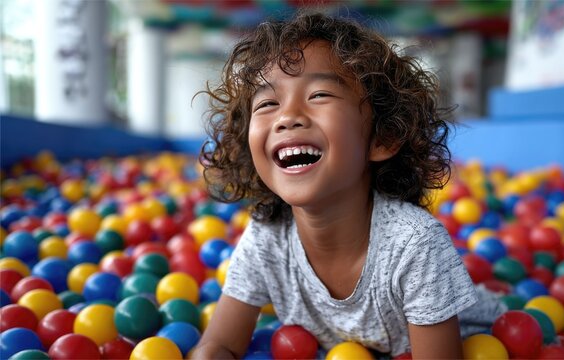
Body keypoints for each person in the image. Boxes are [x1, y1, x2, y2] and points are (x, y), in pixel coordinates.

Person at [192, 11, 504, 359]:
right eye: (267, 103)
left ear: (382, 137)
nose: (287, 116)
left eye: (319, 95)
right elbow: (218, 345)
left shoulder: (414, 244)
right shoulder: (268, 238)